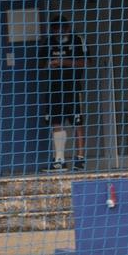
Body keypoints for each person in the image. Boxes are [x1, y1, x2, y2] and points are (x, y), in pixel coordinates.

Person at [39, 14, 89, 171]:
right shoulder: (49, 43)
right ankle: (59, 160)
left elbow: (86, 62)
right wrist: (49, 64)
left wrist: (64, 62)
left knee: (77, 122)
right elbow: (41, 64)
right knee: (56, 122)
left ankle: (80, 159)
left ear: (67, 28)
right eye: (54, 30)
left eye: (60, 29)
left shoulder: (77, 40)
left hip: (72, 87)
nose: (57, 33)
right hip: (54, 87)